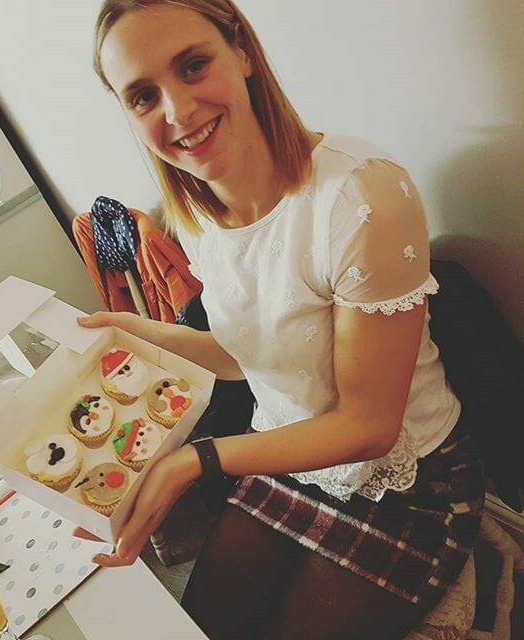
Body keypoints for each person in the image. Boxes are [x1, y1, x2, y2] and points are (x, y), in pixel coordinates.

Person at [76, 2, 485, 638]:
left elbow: (370, 428)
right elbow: (257, 353)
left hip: (408, 485)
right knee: (203, 625)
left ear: (241, 52)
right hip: (291, 459)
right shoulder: (198, 212)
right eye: (142, 96)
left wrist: (195, 461)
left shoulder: (360, 196)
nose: (178, 112)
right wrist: (143, 334)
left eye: (193, 65)